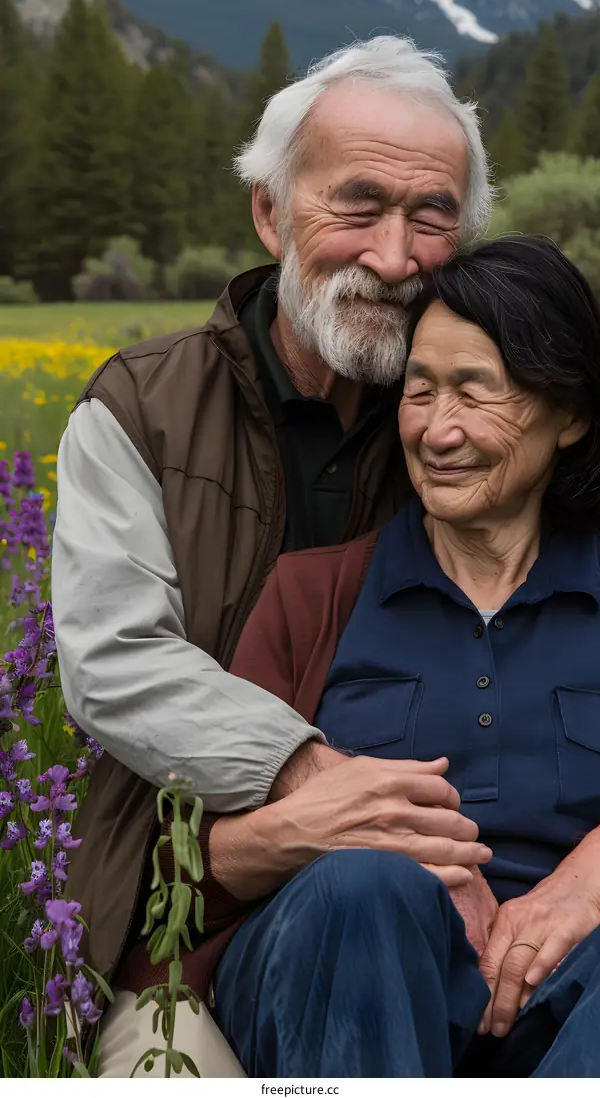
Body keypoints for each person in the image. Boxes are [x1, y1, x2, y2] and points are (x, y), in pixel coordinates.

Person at [51, 34, 494, 1070]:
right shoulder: (144, 409)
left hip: (450, 902)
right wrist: (311, 773)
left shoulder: (484, 415)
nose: (394, 256)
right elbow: (115, 661)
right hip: (181, 916)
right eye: (358, 204)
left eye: (432, 217)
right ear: (269, 211)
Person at [191, 235, 600, 1077]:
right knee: (365, 889)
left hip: (570, 1000)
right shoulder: (314, 596)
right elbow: (197, 864)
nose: (437, 430)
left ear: (571, 414)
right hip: (333, 986)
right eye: (419, 390)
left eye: (474, 393)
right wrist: (345, 833)